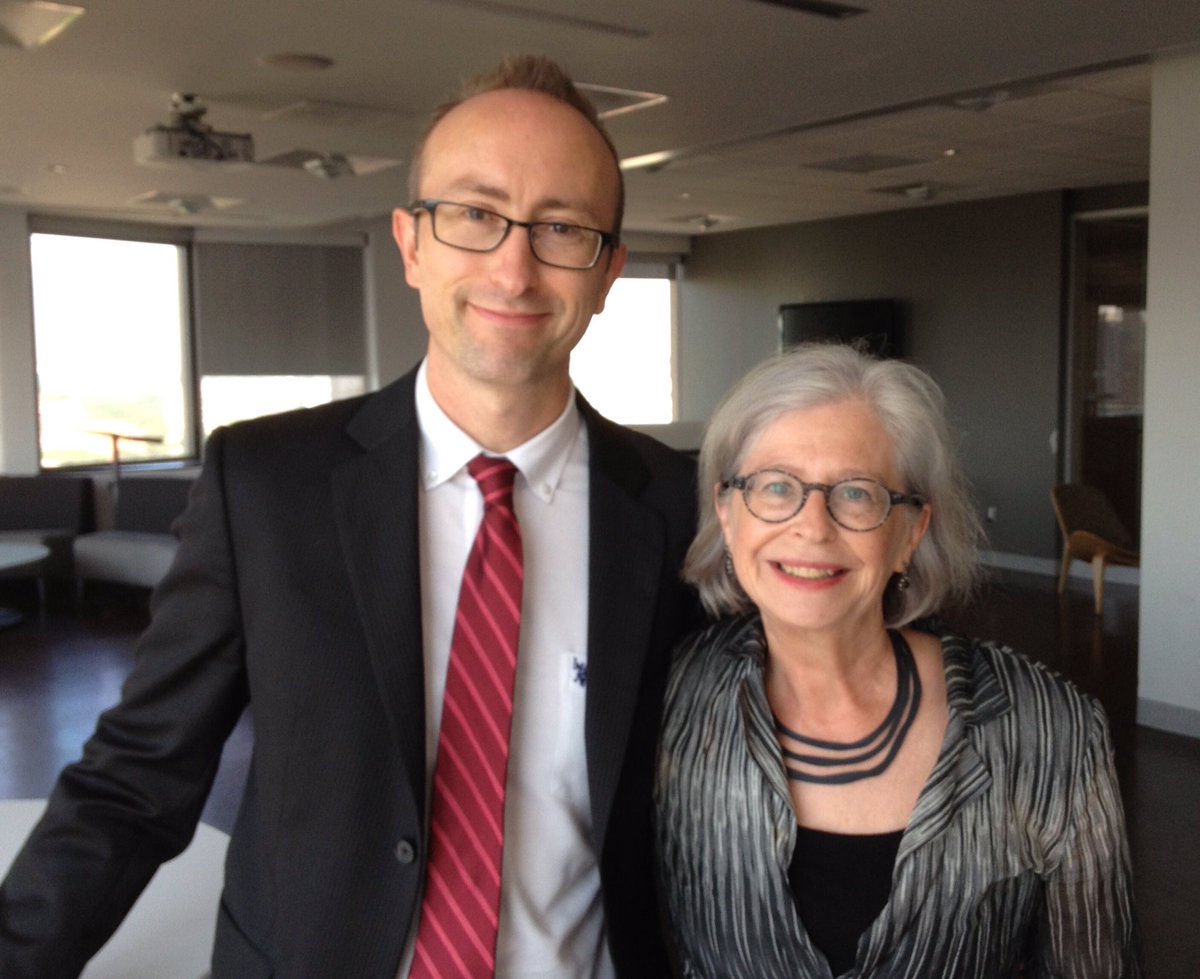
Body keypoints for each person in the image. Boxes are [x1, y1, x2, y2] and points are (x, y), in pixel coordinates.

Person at [0, 55, 699, 978]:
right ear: (411, 243)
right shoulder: (267, 483)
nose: (514, 266)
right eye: (475, 214)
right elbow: (137, 777)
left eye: (561, 227)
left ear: (608, 269)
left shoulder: (682, 508)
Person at [655, 342, 1141, 978]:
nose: (812, 526)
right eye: (776, 486)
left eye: (856, 494)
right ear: (727, 511)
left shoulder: (1051, 731)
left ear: (911, 532)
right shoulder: (667, 696)